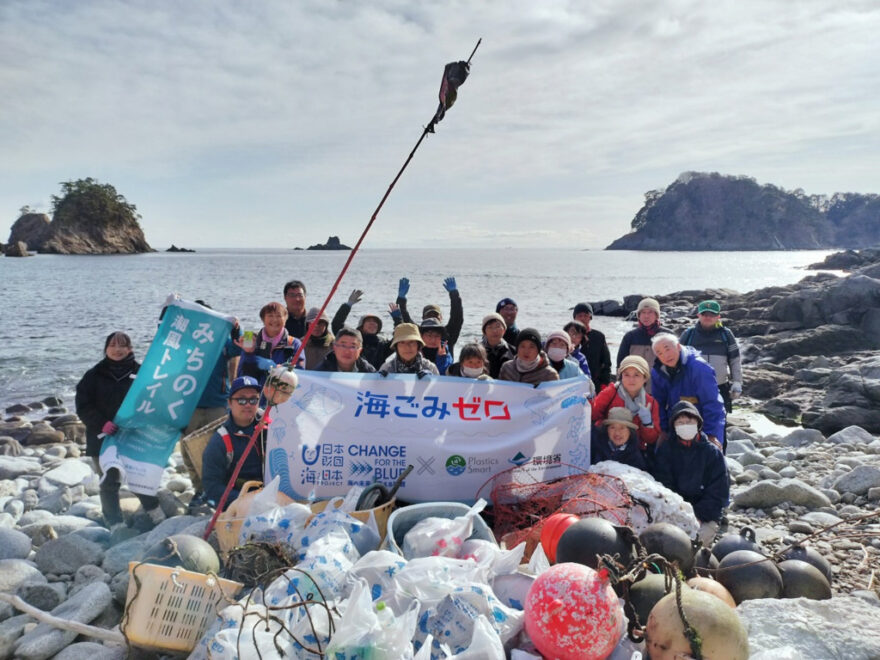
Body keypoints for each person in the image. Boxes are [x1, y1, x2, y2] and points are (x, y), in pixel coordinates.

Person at [75, 331, 165, 534]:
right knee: (109, 480)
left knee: (140, 476)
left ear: (130, 349)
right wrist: (101, 423)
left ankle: (156, 514)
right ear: (106, 349)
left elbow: (153, 402)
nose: (117, 349)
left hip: (134, 437)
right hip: (102, 437)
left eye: (122, 345)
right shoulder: (93, 375)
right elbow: (82, 406)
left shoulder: (142, 373)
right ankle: (115, 524)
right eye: (112, 345)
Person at [652, 401, 729, 547]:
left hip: (704, 516)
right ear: (674, 427)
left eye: (689, 421)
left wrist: (698, 516)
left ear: (698, 423)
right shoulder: (666, 450)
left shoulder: (712, 453)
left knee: (693, 546)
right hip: (673, 511)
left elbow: (718, 493)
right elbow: (663, 486)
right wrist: (679, 514)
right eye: (680, 422)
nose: (685, 425)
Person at [650, 333, 726, 451]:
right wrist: (663, 430)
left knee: (709, 459)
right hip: (676, 424)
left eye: (667, 349)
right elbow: (658, 404)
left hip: (703, 423)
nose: (666, 355)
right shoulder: (658, 372)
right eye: (659, 353)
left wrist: (711, 434)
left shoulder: (699, 368)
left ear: (678, 347)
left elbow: (713, 404)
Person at [201, 376, 266, 510]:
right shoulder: (220, 440)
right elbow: (212, 486)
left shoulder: (272, 426)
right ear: (229, 403)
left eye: (253, 399)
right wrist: (246, 501)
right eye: (241, 400)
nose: (248, 404)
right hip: (239, 504)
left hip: (273, 494)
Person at [679, 300, 743, 415]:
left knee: (719, 423)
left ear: (718, 316)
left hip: (720, 387)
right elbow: (677, 360)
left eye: (712, 315)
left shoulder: (726, 335)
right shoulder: (688, 334)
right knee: (692, 422)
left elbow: (734, 360)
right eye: (704, 314)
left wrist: (737, 382)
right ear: (698, 315)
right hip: (693, 387)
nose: (708, 317)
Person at [591, 355, 661, 454]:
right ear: (621, 376)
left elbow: (651, 439)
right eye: (626, 375)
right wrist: (589, 399)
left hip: (635, 452)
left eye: (636, 375)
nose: (631, 380)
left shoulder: (651, 403)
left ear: (645, 378)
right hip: (606, 449)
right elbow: (593, 415)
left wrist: (647, 423)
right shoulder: (610, 393)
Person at [238, 302, 306, 387]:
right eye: (270, 315)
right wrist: (249, 355)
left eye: (278, 316)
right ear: (263, 319)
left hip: (281, 396)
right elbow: (242, 377)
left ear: (285, 320)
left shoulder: (294, 343)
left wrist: (276, 369)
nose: (274, 320)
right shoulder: (250, 340)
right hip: (256, 396)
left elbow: (300, 378)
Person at [395, 276, 463, 357]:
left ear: (441, 318)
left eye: (435, 316)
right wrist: (401, 298)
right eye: (429, 316)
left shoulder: (448, 334)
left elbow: (457, 317)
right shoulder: (417, 332)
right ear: (423, 318)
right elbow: (403, 319)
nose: (432, 318)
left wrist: (454, 294)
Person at [616, 298, 673, 394]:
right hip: (634, 390)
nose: (646, 316)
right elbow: (621, 364)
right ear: (639, 315)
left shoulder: (667, 336)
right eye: (643, 312)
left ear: (657, 315)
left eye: (650, 312)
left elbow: (676, 363)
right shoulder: (630, 336)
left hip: (661, 389)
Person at [330, 289, 393, 369]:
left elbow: (400, 339)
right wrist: (347, 305)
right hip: (351, 377)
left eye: (375, 322)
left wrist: (397, 318)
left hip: (375, 379)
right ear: (361, 326)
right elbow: (337, 325)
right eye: (369, 321)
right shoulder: (353, 339)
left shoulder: (382, 345)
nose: (372, 324)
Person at [571, 302, 612, 392]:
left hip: (594, 384)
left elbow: (606, 363)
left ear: (590, 317)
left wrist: (604, 385)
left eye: (586, 315)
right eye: (579, 315)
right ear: (574, 317)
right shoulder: (567, 335)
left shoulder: (599, 336)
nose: (582, 318)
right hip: (572, 384)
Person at [480, 312, 515, 379]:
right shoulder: (476, 351)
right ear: (484, 332)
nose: (494, 330)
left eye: (498, 326)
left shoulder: (513, 351)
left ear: (504, 330)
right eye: (490, 327)